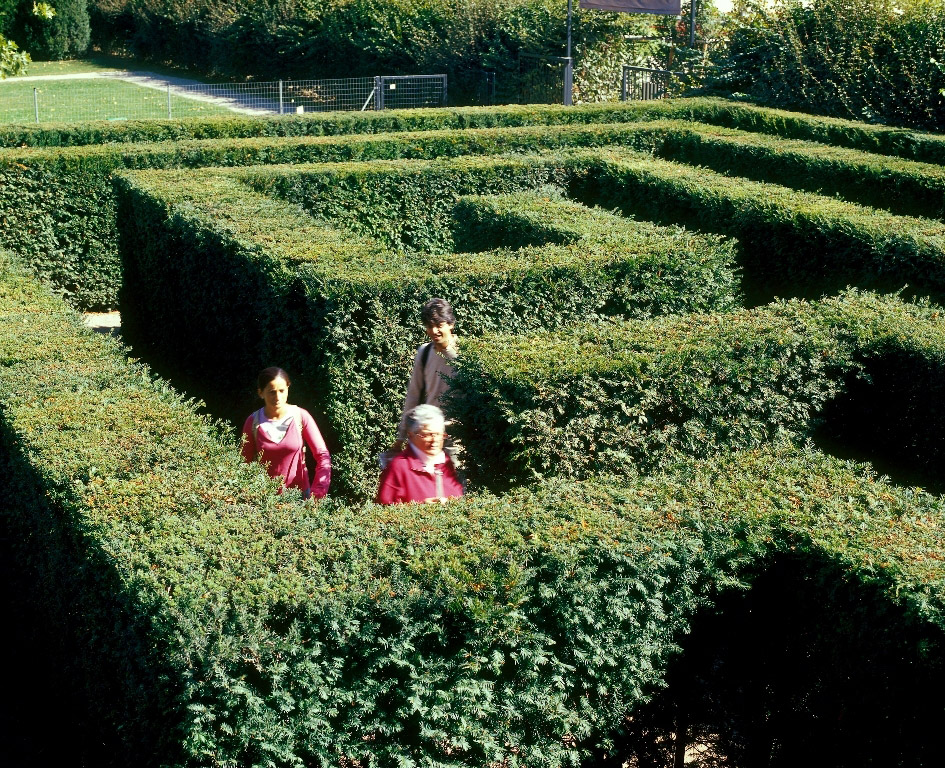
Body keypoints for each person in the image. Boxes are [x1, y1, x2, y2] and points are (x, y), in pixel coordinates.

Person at [241, 367, 331, 498]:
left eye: (282, 391)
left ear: (288, 388)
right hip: (264, 501)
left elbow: (323, 455)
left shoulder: (300, 416)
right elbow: (244, 463)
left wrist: (318, 492)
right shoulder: (253, 422)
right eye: (272, 392)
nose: (278, 397)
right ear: (261, 393)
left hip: (300, 499)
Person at [395, 297, 458, 444]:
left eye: (439, 325)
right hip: (428, 434)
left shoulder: (465, 355)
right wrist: (401, 437)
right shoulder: (424, 352)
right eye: (429, 326)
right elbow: (413, 396)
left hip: (456, 439)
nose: (434, 331)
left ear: (451, 324)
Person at [376, 404, 463, 505]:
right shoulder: (399, 467)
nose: (435, 440)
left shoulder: (445, 462)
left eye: (439, 434)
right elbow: (384, 511)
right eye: (427, 435)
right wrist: (420, 507)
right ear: (411, 435)